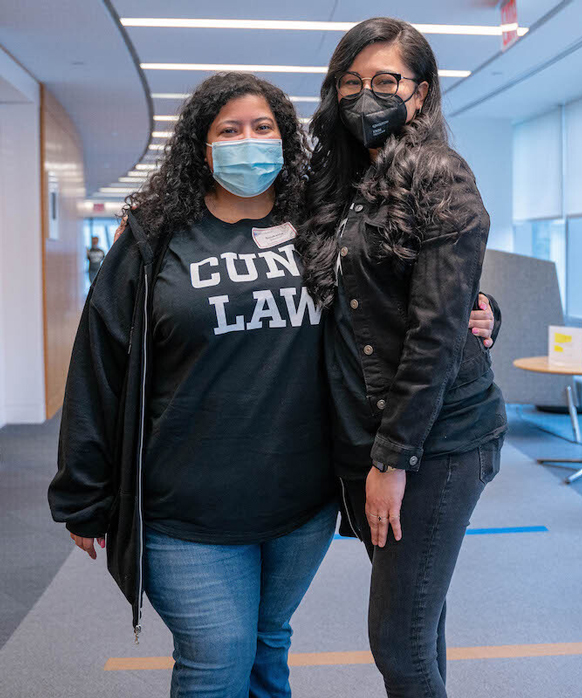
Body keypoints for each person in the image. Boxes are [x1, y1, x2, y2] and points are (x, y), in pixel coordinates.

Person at [49, 71, 496, 697]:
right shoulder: (155, 239)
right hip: (187, 506)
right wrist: (81, 490)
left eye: (263, 127)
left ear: (286, 140)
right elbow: (99, 362)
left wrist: (484, 308)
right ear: (201, 146)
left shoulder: (323, 225)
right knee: (217, 659)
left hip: (299, 502)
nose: (247, 140)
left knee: (267, 643)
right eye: (228, 130)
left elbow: (406, 291)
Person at [296, 17, 507, 698]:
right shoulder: (343, 184)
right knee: (420, 622)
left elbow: (435, 331)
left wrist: (390, 460)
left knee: (398, 643)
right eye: (351, 83)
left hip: (436, 439)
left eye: (386, 81)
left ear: (420, 93)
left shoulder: (440, 174)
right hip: (373, 434)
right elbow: (383, 294)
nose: (367, 96)